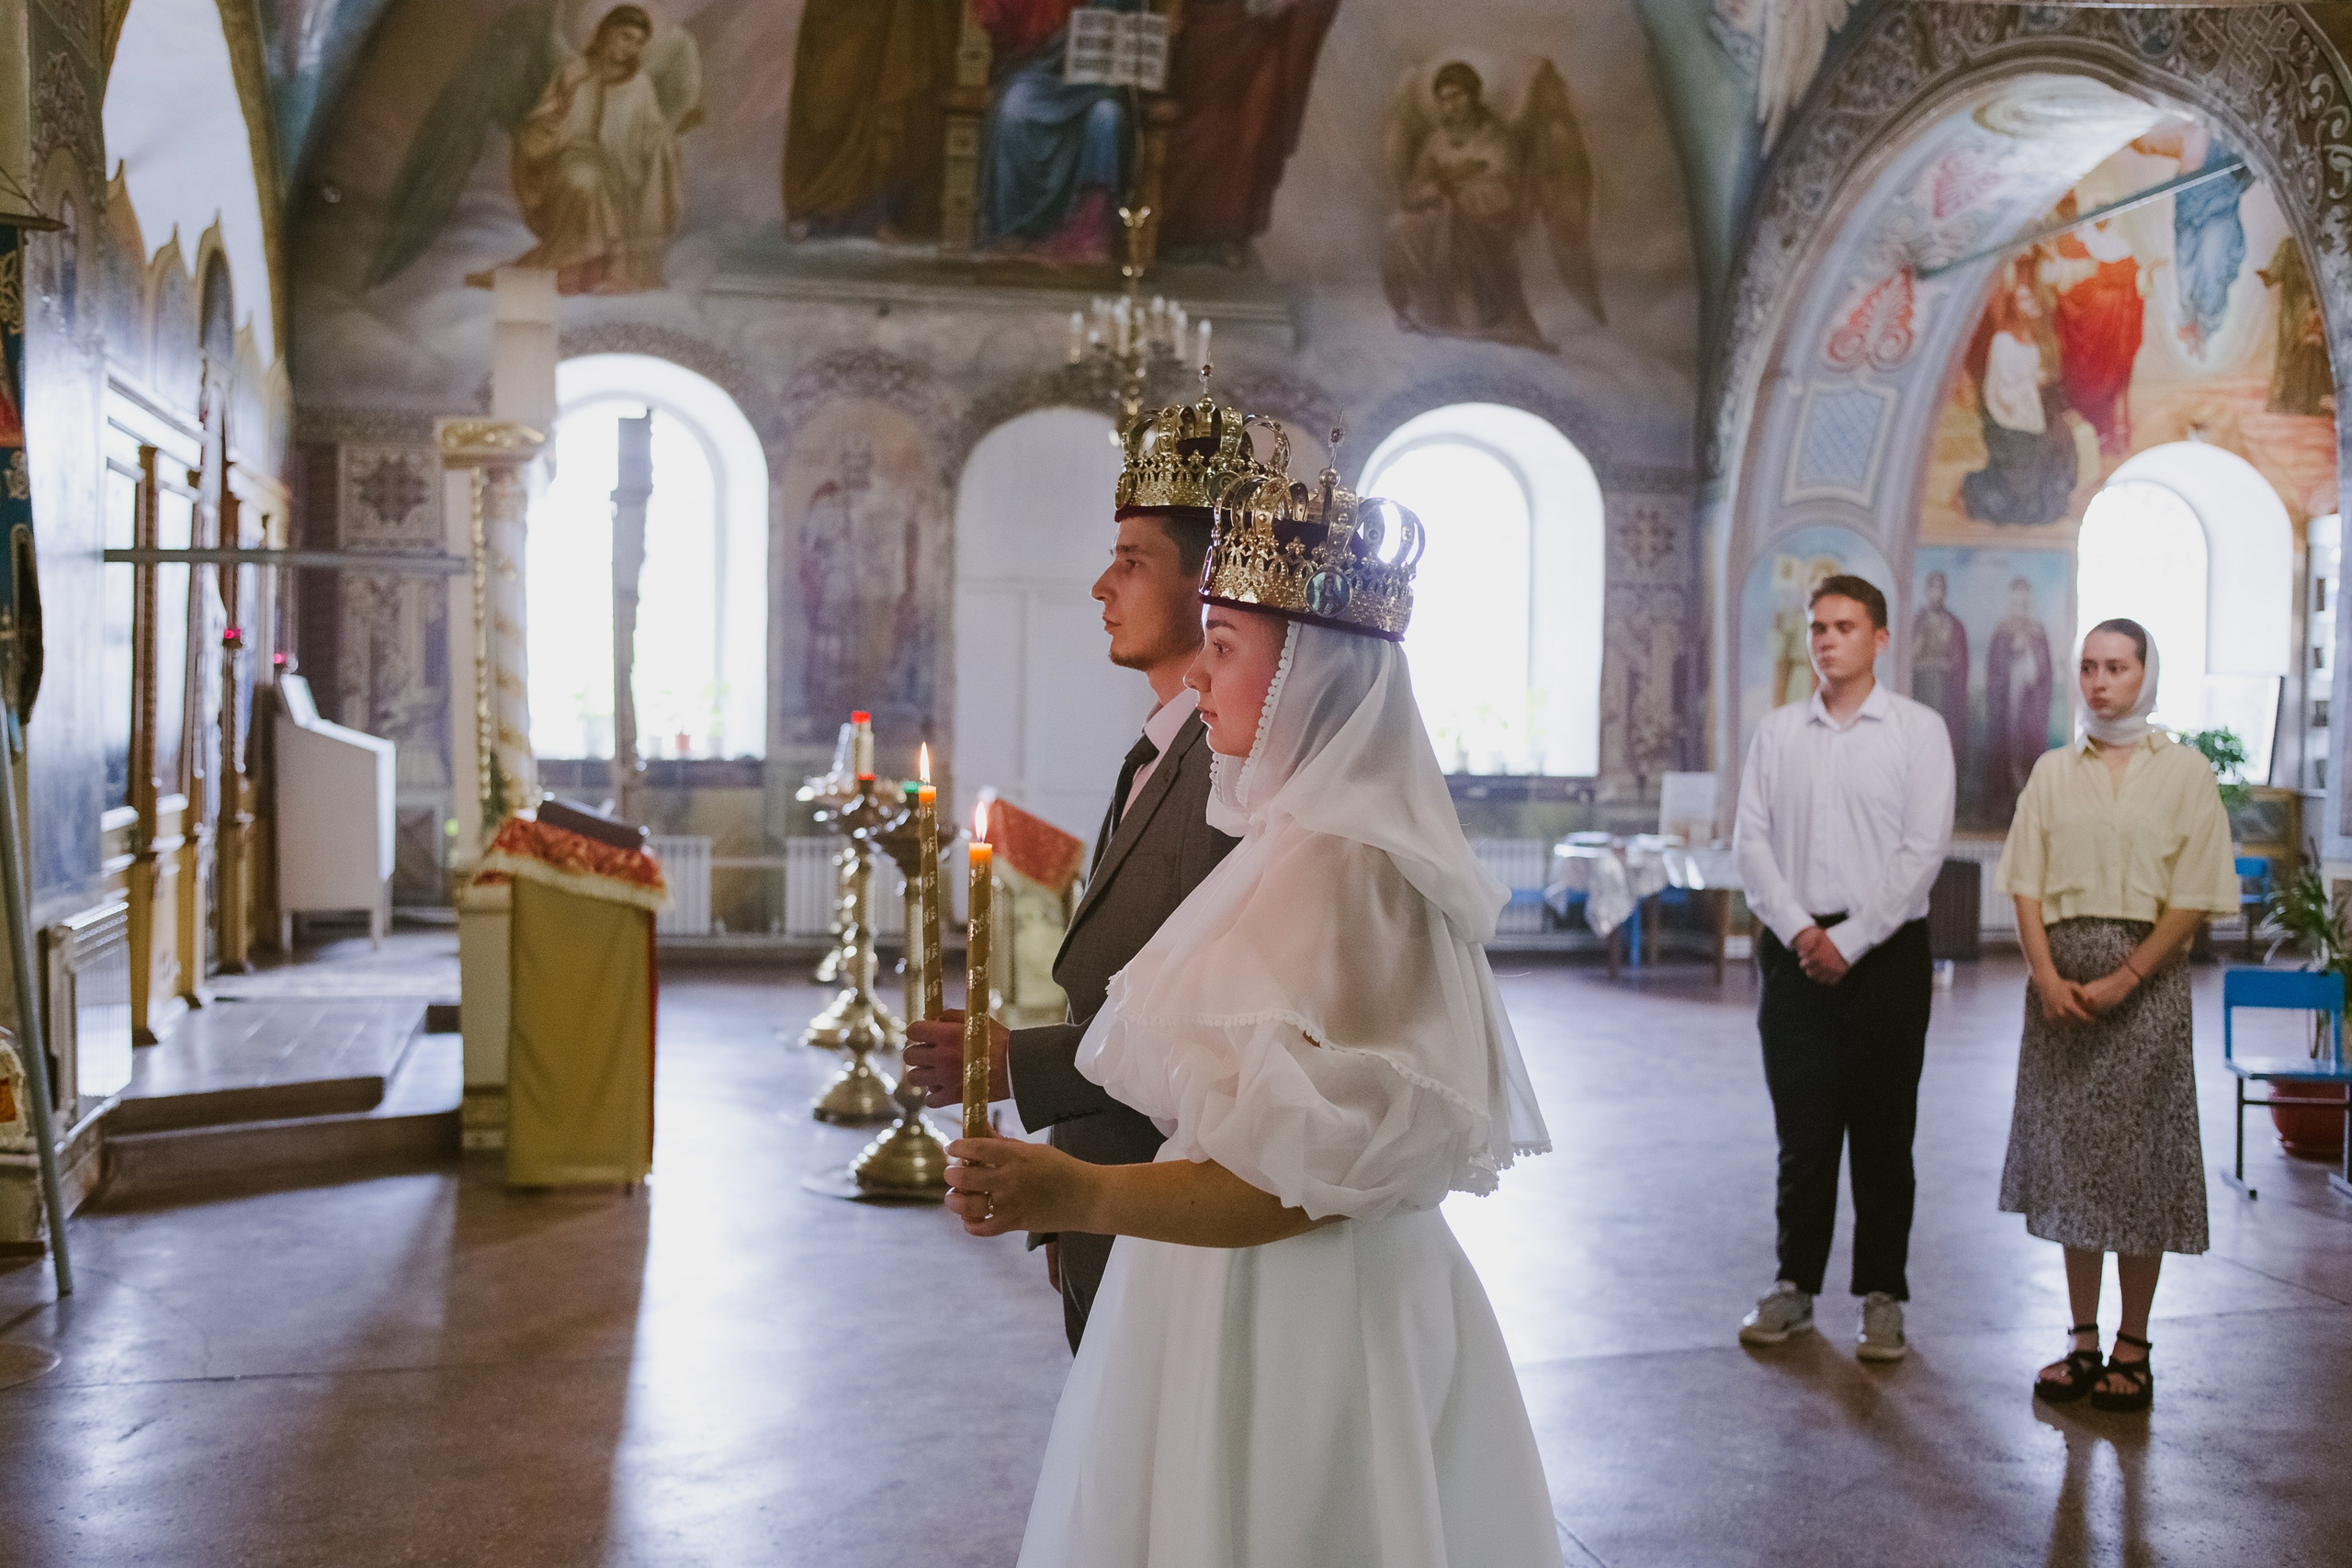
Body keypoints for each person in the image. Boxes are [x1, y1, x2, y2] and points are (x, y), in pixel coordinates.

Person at [944, 478, 1559, 1564]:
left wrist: (1076, 1189)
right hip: (1208, 1295)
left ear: (1313, 674)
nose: (1204, 672)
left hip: (1309, 1324)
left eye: (1224, 645)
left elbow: (1303, 1183)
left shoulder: (1351, 872)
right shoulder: (1289, 842)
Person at [900, 395, 1264, 1349]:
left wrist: (1010, 1065)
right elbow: (1113, 988)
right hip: (1108, 1193)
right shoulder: (1156, 750)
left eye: (1132, 562)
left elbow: (1215, 1030)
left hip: (1168, 1206)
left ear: (1208, 585)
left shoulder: (1231, 780)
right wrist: (1071, 1196)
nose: (1101, 587)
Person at [1995, 619, 2236, 1414]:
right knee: (2073, 1163)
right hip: (2061, 994)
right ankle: (2081, 1339)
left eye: (2118, 667)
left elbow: (2195, 893)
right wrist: (2048, 977)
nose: (2101, 682)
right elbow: (2024, 882)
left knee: (2137, 1165)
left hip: (2148, 993)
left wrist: (2129, 975)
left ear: (2147, 674)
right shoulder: (2054, 771)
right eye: (2090, 667)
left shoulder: (2187, 773)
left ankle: (2134, 1342)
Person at [1733, 574, 1955, 1361]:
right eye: (1819, 626)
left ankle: (1882, 1295)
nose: (1828, 639)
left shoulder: (1919, 731)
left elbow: (1922, 850)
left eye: (1845, 626)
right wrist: (1802, 930)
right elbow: (1750, 844)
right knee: (1804, 1132)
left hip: (1886, 954)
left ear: (1880, 639)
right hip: (1795, 952)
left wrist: (1852, 937)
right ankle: (1795, 1285)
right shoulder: (1779, 733)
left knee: (1885, 1133)